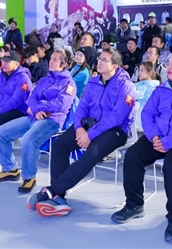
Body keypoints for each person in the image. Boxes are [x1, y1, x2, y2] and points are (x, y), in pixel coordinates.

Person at [112, 54, 172, 244]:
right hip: (159, 137)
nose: (169, 67)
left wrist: (169, 141)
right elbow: (148, 113)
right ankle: (134, 205)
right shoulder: (161, 89)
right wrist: (154, 136)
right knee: (132, 155)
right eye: (168, 63)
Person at [28, 48, 136, 216]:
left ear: (115, 66)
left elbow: (117, 117)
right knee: (60, 145)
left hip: (115, 130)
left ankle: (52, 191)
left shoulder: (125, 85)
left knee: (91, 153)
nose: (99, 62)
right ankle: (59, 198)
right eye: (99, 58)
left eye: (105, 60)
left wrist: (90, 135)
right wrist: (79, 128)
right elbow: (82, 107)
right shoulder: (94, 82)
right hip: (88, 125)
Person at [0, 50, 75, 193]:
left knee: (28, 140)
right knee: (0, 133)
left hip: (52, 121)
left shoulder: (68, 83)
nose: (51, 61)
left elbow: (60, 103)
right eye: (51, 58)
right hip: (34, 116)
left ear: (64, 63)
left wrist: (37, 107)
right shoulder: (45, 79)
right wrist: (36, 110)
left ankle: (29, 177)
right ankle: (10, 168)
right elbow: (31, 96)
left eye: (55, 59)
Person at [133, 61, 161, 129]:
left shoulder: (147, 86)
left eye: (142, 70)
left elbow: (135, 95)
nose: (139, 73)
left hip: (142, 116)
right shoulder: (143, 84)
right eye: (139, 70)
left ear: (150, 73)